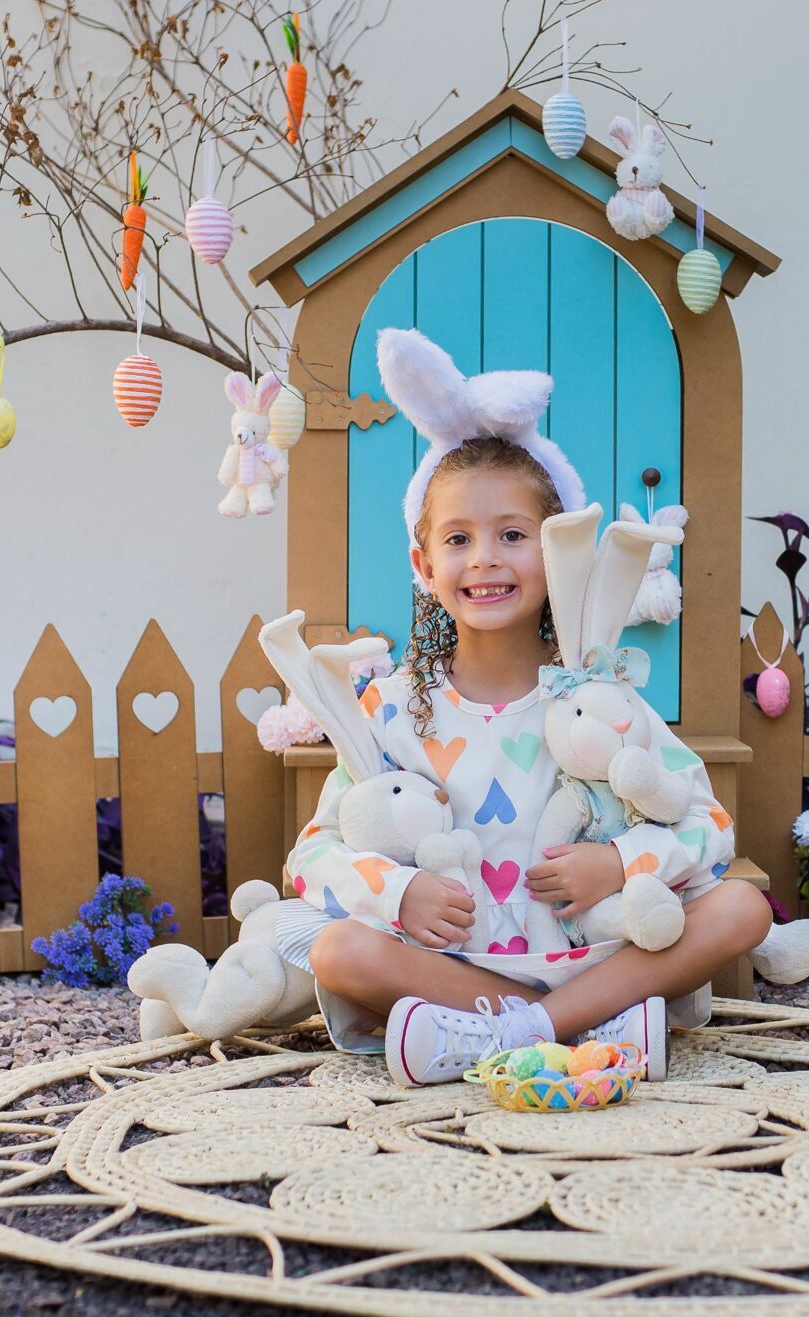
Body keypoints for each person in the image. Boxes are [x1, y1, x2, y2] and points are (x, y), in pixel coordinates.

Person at [272, 328, 773, 1088]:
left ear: (556, 549)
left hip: (597, 951)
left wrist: (618, 863)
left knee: (742, 908)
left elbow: (710, 825)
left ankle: (509, 1033)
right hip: (453, 962)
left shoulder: (595, 696)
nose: (485, 559)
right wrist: (401, 892)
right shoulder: (389, 708)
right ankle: (590, 1025)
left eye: (513, 535)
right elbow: (309, 858)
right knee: (341, 951)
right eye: (459, 538)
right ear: (423, 563)